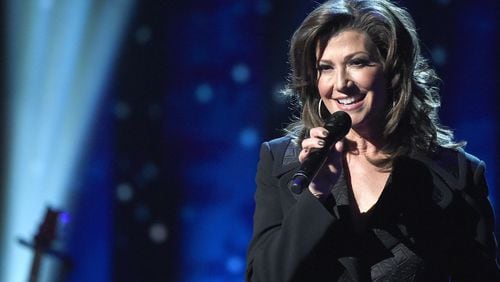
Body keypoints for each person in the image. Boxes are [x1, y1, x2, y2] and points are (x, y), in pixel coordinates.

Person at [245, 0, 500, 281]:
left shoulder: (456, 174)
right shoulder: (282, 162)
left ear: (393, 72)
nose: (341, 83)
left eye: (357, 63)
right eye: (325, 68)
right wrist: (315, 196)